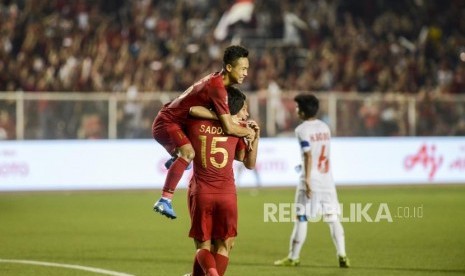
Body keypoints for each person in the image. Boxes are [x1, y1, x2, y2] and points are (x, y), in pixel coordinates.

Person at [152, 45, 255, 219]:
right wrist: (247, 132)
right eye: (243, 68)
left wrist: (224, 118)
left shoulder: (215, 81)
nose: (246, 73)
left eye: (247, 69)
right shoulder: (218, 88)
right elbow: (228, 127)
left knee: (188, 159)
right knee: (189, 153)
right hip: (168, 122)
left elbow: (194, 109)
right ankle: (165, 199)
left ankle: (176, 160)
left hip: (175, 122)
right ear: (229, 68)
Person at [186, 87, 260, 276]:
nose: (246, 113)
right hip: (227, 194)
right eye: (244, 108)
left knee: (203, 246)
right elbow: (249, 163)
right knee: (224, 246)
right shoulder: (239, 129)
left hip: (202, 192)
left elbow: (191, 109)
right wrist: (255, 137)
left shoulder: (197, 122)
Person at [273, 93, 350, 268]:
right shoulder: (325, 127)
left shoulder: (301, 130)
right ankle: (343, 255)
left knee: (301, 217)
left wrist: (306, 179)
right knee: (332, 217)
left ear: (302, 110)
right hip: (327, 180)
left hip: (311, 180)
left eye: (297, 107)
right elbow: (318, 154)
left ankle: (294, 257)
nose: (296, 110)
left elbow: (308, 155)